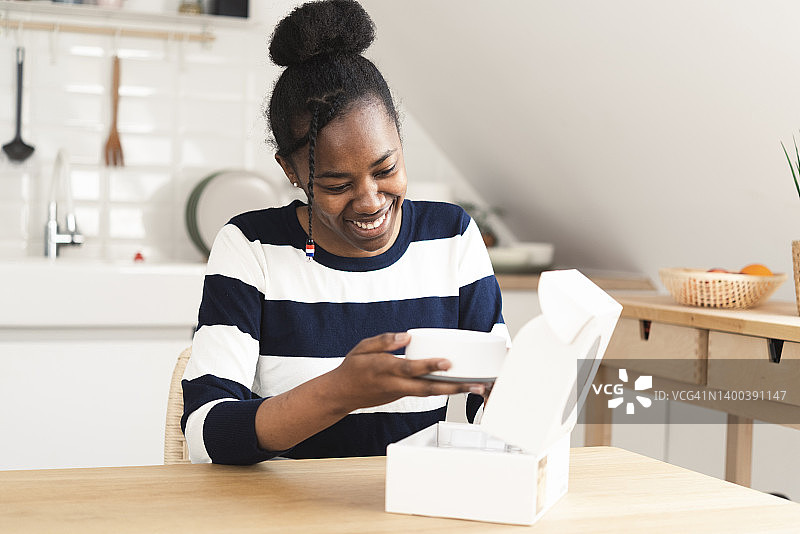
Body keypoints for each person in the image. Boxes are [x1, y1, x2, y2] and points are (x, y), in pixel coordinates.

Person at [181, 0, 508, 465]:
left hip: (412, 503)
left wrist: (527, 392)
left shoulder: (450, 236)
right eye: (336, 185)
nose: (371, 201)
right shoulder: (251, 247)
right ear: (291, 172)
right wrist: (339, 393)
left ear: (399, 139)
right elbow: (202, 436)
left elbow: (493, 399)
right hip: (287, 511)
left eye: (386, 168)